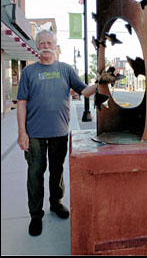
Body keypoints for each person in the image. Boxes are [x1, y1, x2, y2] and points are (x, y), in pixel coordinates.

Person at [17, 30, 113, 237]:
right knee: (35, 174)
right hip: (34, 134)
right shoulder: (29, 72)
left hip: (59, 132)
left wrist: (100, 82)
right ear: (37, 46)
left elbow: (84, 91)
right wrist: (22, 132)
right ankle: (35, 215)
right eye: (41, 43)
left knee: (57, 170)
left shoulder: (65, 69)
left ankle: (56, 202)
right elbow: (22, 103)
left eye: (49, 42)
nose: (45, 45)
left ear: (55, 46)